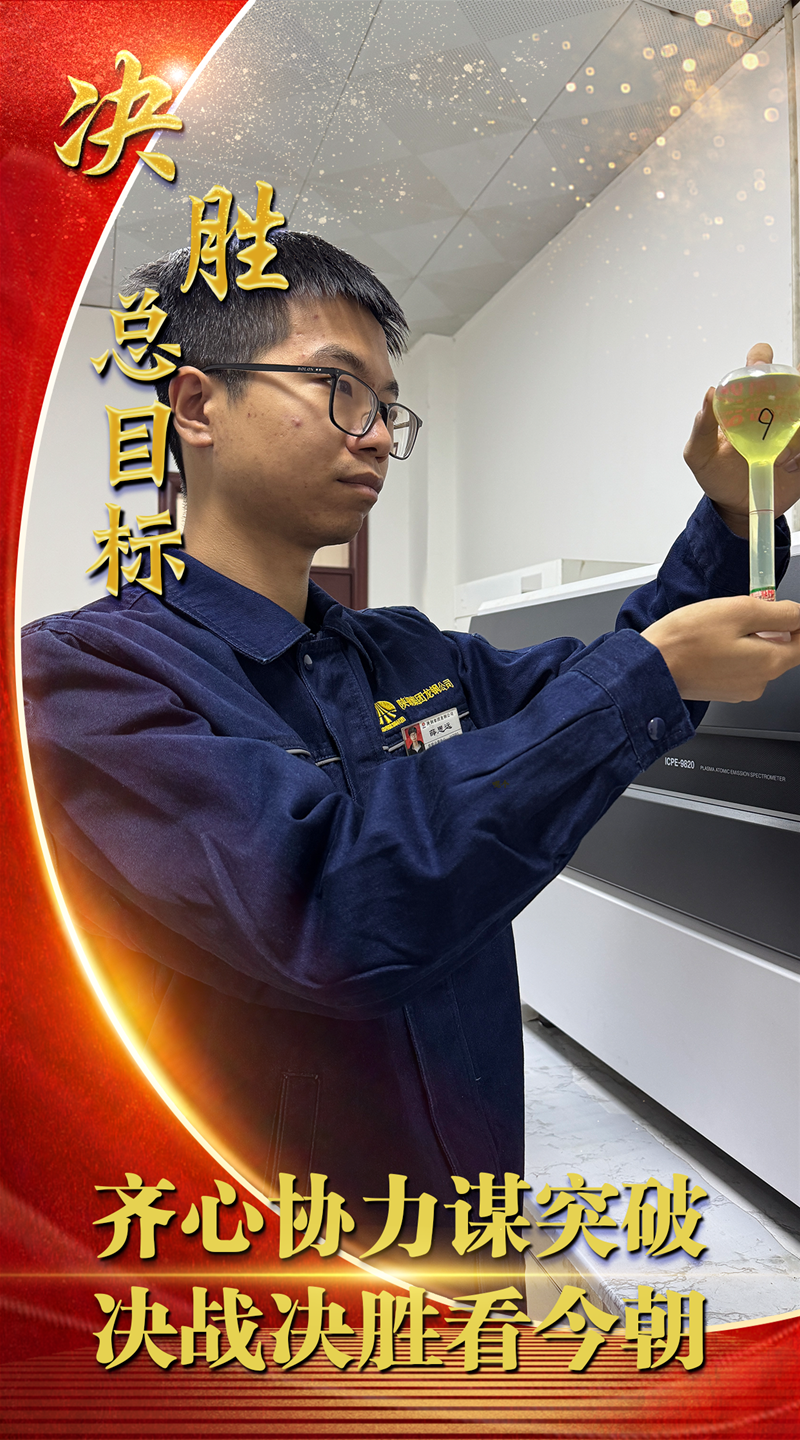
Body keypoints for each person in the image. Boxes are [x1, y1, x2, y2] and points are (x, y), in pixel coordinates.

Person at [22, 232, 800, 1293]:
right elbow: (332, 908)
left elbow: (615, 674)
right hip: (273, 1285)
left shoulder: (405, 654)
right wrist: (644, 676)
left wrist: (735, 510)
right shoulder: (88, 678)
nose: (381, 436)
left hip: (465, 1224)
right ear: (197, 406)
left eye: (389, 407)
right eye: (340, 388)